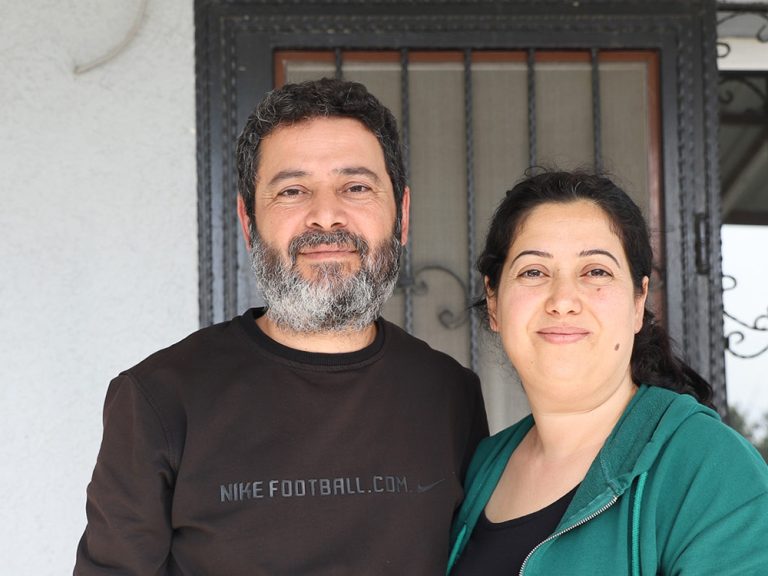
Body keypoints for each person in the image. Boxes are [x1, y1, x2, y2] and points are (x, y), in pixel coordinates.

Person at [74, 78, 488, 575]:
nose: (326, 216)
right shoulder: (159, 399)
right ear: (248, 222)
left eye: (356, 187)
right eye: (293, 191)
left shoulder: (449, 393)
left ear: (401, 214)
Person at [447, 171, 768, 575]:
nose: (563, 300)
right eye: (533, 272)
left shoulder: (709, 467)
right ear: (493, 302)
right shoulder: (482, 465)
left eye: (596, 271)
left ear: (639, 301)